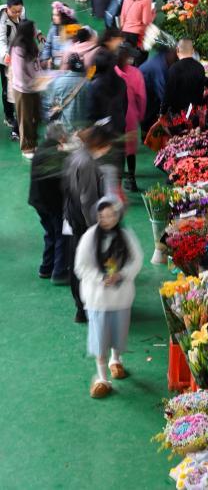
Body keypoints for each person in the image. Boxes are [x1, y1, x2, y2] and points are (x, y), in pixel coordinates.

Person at [75, 196, 143, 398]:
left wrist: (122, 275)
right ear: (96, 216)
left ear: (118, 215)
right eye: (102, 216)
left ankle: (116, 360)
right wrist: (100, 278)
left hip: (121, 299)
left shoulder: (126, 235)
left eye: (111, 215)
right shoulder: (89, 237)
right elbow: (81, 266)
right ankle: (102, 378)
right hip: (98, 300)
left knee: (118, 334)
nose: (107, 220)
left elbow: (137, 259)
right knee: (100, 339)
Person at [63, 122, 119, 323]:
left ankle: (82, 306)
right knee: (86, 263)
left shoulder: (77, 155)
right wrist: (95, 228)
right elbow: (88, 200)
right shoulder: (87, 164)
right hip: (82, 221)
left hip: (72, 215)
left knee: (76, 260)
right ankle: (85, 307)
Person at [28, 122, 69, 284]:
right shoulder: (56, 154)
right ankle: (59, 272)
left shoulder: (41, 149)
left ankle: (46, 268)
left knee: (50, 233)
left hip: (38, 201)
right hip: (52, 203)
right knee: (61, 235)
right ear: (61, 137)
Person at [87, 50, 128, 179]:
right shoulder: (121, 82)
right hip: (118, 127)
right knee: (118, 164)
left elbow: (91, 112)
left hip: (101, 133)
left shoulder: (94, 85)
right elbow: (125, 105)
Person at [115, 43, 146, 192]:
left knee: (117, 150)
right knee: (130, 150)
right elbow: (142, 97)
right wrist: (141, 114)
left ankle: (116, 186)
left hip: (113, 117)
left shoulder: (110, 72)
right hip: (131, 116)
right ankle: (131, 179)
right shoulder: (136, 73)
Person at [11, 19, 42, 159]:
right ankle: (27, 147)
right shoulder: (18, 49)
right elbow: (19, 74)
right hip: (23, 90)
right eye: (34, 30)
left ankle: (33, 142)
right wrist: (34, 82)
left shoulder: (30, 44)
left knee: (36, 116)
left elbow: (35, 64)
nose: (36, 32)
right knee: (25, 119)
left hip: (34, 86)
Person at [0, 0, 25, 139]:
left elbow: (25, 25)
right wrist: (5, 56)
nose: (18, 14)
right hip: (3, 54)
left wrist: (38, 33)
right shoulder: (2, 21)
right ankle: (9, 116)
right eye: (14, 12)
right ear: (7, 9)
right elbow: (1, 40)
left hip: (14, 53)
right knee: (6, 86)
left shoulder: (21, 12)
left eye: (19, 11)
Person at [120, 0, 156, 64]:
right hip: (137, 35)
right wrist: (153, 13)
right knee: (140, 58)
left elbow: (122, 13)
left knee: (127, 59)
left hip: (125, 31)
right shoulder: (146, 0)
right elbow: (146, 21)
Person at [139, 47, 177, 142]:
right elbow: (161, 89)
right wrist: (169, 106)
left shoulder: (161, 60)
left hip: (148, 90)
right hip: (143, 91)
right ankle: (147, 137)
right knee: (149, 113)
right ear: (169, 53)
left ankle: (149, 134)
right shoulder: (158, 66)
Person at [45, 53, 90, 133]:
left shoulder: (59, 82)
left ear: (69, 66)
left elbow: (52, 103)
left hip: (65, 127)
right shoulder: (88, 82)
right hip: (84, 128)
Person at [160, 38, 205, 117]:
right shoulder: (200, 67)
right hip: (195, 113)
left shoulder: (174, 68)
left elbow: (168, 93)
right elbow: (201, 92)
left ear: (177, 50)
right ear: (193, 51)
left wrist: (162, 112)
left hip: (177, 115)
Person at [41, 2, 77, 69]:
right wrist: (45, 60)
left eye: (57, 15)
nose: (53, 17)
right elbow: (48, 45)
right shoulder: (53, 27)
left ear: (64, 16)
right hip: (54, 62)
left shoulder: (71, 29)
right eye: (53, 15)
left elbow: (67, 49)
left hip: (67, 64)